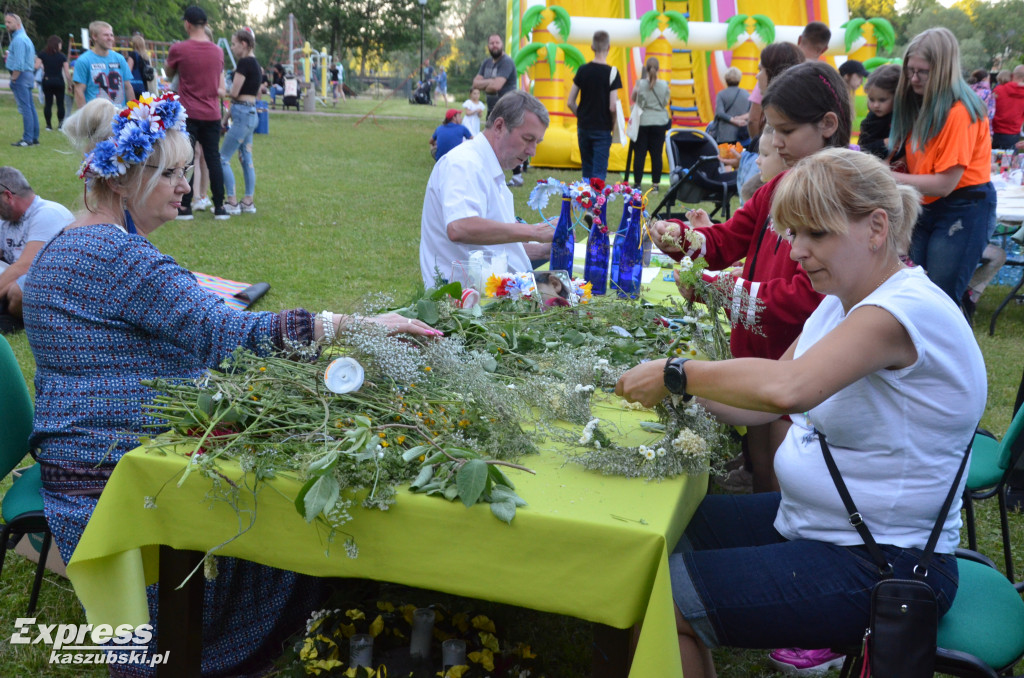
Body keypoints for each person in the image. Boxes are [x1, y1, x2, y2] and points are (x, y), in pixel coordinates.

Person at [22, 95, 439, 677]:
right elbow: (229, 336)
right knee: (291, 494)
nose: (184, 187)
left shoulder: (68, 242)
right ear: (122, 181)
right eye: (167, 173)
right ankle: (216, 639)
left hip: (74, 458)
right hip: (119, 469)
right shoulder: (119, 257)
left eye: (186, 171)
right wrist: (363, 325)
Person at [616, 147, 985, 678]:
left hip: (885, 561)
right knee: (654, 536)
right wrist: (656, 385)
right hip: (824, 527)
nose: (796, 252)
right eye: (792, 234)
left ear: (876, 227)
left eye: (816, 234)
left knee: (661, 597)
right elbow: (759, 403)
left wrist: (679, 372)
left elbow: (787, 390)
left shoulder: (901, 312)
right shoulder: (842, 301)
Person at [651, 61, 850, 504]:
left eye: (786, 131)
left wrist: (721, 289)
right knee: (762, 468)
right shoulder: (778, 186)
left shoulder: (839, 201)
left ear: (828, 125)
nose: (776, 142)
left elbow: (806, 299)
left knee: (782, 485)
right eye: (771, 129)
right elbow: (726, 240)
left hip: (796, 365)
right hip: (758, 353)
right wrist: (683, 239)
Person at [890, 27, 995, 304]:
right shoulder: (920, 105)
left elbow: (945, 183)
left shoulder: (961, 112)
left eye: (922, 72)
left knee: (941, 299)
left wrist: (885, 177)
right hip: (927, 205)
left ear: (943, 70)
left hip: (963, 208)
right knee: (918, 293)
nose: (913, 78)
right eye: (910, 70)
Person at [419, 90, 554, 287]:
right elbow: (460, 227)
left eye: (537, 142)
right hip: (465, 303)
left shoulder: (489, 168)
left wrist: (542, 251)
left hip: (491, 293)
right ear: (499, 126)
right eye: (527, 139)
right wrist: (534, 231)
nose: (532, 151)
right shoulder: (464, 163)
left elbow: (495, 248)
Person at [167, 6, 229, 220]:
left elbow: (169, 72)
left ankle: (185, 207)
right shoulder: (217, 51)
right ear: (205, 24)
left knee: (187, 158)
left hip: (189, 112)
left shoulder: (179, 49)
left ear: (187, 24)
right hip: (212, 113)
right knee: (213, 158)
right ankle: (220, 206)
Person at [0, 167, 73, 331]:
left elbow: (25, 266)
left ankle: (15, 317)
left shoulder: (47, 213)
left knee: (20, 290)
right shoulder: (5, 219)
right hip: (17, 280)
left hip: (54, 284)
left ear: (7, 196)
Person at [748, 22, 829, 139]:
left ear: (800, 39)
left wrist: (759, 149)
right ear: (825, 48)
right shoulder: (824, 77)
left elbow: (753, 119)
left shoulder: (777, 63)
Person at [567, 30, 622, 182]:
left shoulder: (583, 70)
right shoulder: (612, 73)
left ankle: (585, 203)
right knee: (598, 173)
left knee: (587, 169)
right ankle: (596, 205)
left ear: (592, 47)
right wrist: (613, 125)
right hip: (603, 129)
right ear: (609, 47)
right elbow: (612, 106)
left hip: (584, 127)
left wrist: (582, 116)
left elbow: (570, 101)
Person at [473, 34, 523, 187]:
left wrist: (486, 84)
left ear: (502, 44)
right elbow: (475, 83)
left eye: (497, 42)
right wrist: (490, 82)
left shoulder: (506, 62)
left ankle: (517, 176)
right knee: (490, 141)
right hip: (492, 109)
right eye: (491, 43)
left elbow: (496, 86)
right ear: (488, 45)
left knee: (508, 140)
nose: (494, 45)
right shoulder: (486, 63)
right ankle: (490, 174)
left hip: (507, 109)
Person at [220, 29, 262, 216]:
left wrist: (221, 88)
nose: (232, 47)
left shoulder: (244, 63)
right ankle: (248, 201)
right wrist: (227, 117)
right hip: (250, 113)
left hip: (243, 115)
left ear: (244, 44)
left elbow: (235, 94)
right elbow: (247, 96)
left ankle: (232, 201)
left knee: (222, 158)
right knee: (246, 158)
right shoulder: (256, 64)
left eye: (234, 43)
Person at [72, 21, 135, 109]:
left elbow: (128, 87)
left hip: (119, 116)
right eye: (106, 35)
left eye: (111, 35)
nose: (110, 38)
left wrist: (134, 112)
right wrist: (85, 118)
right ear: (94, 36)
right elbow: (79, 91)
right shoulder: (83, 60)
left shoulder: (120, 59)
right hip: (96, 116)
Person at [630, 56, 672, 189]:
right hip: (659, 122)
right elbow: (665, 102)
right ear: (658, 69)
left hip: (643, 121)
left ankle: (637, 183)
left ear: (646, 69)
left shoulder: (640, 84)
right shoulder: (664, 85)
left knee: (640, 154)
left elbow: (634, 99)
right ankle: (655, 184)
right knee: (656, 154)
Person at [5, 13, 39, 147]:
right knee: (30, 108)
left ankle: (27, 139)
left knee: (26, 108)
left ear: (18, 24)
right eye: (6, 22)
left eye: (9, 22)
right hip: (28, 75)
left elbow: (18, 64)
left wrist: (13, 78)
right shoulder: (26, 38)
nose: (7, 25)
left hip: (21, 76)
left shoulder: (19, 40)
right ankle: (34, 138)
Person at [859, 64, 899, 160]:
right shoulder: (872, 121)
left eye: (882, 100)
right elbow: (862, 150)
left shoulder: (901, 116)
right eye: (871, 100)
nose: (876, 105)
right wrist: (883, 143)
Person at [36, 35, 70, 132]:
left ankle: (48, 125)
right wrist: (70, 84)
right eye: (60, 44)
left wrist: (43, 66)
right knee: (60, 104)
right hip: (59, 81)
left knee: (48, 103)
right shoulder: (62, 56)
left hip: (47, 81)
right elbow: (67, 73)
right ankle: (60, 125)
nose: (61, 46)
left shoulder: (42, 54)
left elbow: (36, 66)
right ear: (57, 44)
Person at [711, 66, 749, 144]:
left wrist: (733, 120)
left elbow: (719, 113)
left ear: (726, 79)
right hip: (743, 134)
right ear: (739, 79)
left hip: (725, 135)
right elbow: (751, 113)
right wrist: (739, 119)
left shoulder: (721, 94)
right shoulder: (747, 94)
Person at [991, 65, 1024, 150]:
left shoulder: (998, 90)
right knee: (1009, 162)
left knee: (992, 162)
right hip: (1012, 135)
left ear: (1012, 75)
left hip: (994, 133)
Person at [126, 33, 152, 100]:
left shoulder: (133, 55)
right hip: (144, 87)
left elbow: (128, 71)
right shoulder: (146, 57)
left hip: (134, 86)